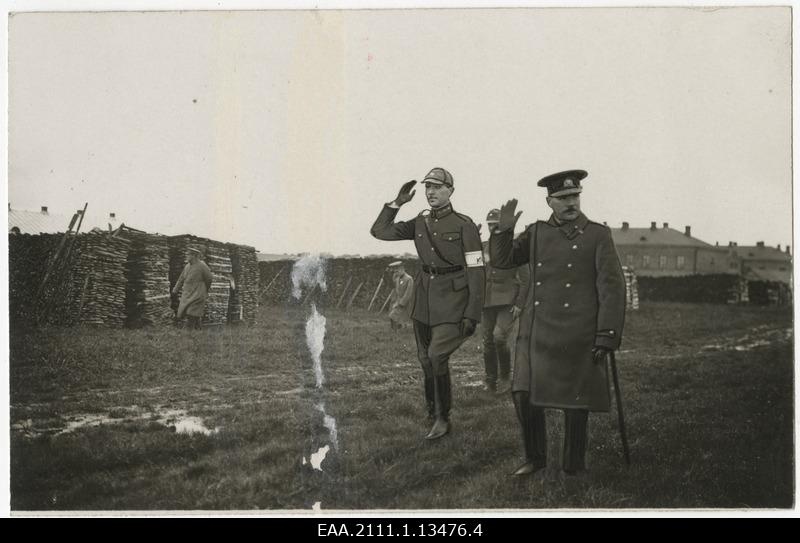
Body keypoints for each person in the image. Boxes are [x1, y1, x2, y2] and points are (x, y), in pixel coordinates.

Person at [490, 170, 626, 476]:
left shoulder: (597, 234)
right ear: (549, 201)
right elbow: (503, 261)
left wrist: (606, 334)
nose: (570, 203)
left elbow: (612, 287)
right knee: (523, 392)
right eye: (563, 198)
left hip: (578, 330)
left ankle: (573, 463)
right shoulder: (536, 233)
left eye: (574, 196)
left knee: (574, 401)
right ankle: (535, 458)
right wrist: (502, 232)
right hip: (537, 328)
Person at [371, 167, 485, 440]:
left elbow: (477, 271)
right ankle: (432, 409)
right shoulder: (420, 222)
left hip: (454, 301)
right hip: (424, 300)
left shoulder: (464, 225)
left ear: (451, 191)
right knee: (425, 359)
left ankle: (443, 418)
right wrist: (396, 203)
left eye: (437, 187)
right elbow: (379, 231)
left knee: (436, 356)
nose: (431, 192)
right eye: (427, 188)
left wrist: (473, 313)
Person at [481, 209, 530, 395]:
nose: (493, 228)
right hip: (487, 301)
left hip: (508, 301)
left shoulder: (515, 247)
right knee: (487, 340)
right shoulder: (484, 247)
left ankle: (504, 377)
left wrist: (519, 303)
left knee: (499, 337)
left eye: (496, 225)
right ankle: (490, 379)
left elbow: (526, 279)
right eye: (490, 225)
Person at [172, 246, 213, 330]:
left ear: (194, 256)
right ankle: (199, 332)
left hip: (198, 294)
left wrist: (204, 290)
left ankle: (188, 335)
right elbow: (181, 279)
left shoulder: (202, 265)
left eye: (188, 255)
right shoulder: (187, 266)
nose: (187, 256)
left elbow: (209, 278)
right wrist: (175, 290)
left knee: (191, 314)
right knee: (194, 316)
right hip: (187, 294)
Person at [387, 261, 414, 331]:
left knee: (393, 316)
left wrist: (402, 303)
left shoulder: (409, 279)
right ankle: (398, 330)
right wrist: (391, 274)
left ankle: (395, 331)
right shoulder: (398, 278)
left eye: (398, 270)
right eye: (395, 271)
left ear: (403, 269)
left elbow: (408, 293)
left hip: (405, 302)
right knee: (396, 317)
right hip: (397, 300)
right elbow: (394, 286)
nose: (396, 272)